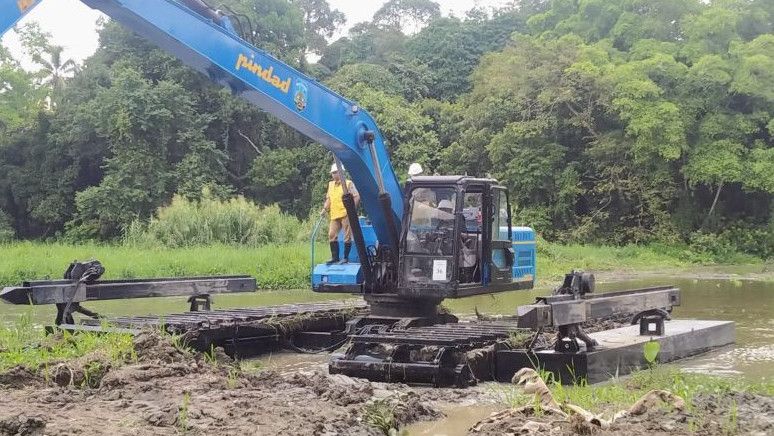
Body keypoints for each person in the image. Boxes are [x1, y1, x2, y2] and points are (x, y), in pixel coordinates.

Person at [322, 163, 359, 264]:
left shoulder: (348, 183)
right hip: (334, 214)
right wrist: (325, 209)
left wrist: (351, 210)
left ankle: (345, 258)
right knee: (331, 234)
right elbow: (329, 199)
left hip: (345, 214)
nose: (334, 175)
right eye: (332, 173)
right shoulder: (330, 185)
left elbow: (356, 196)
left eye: (335, 172)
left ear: (341, 172)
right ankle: (335, 257)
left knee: (347, 236)